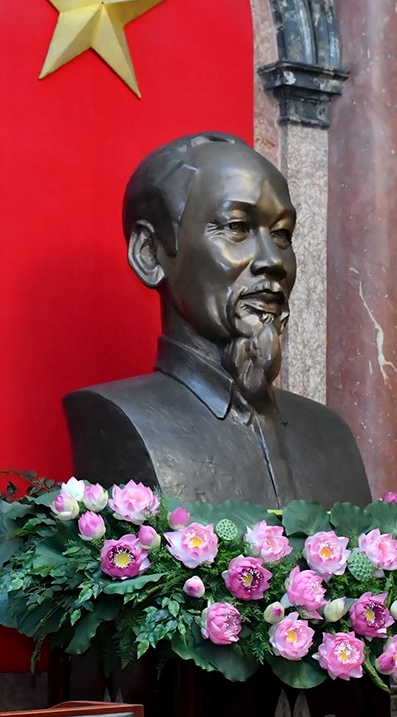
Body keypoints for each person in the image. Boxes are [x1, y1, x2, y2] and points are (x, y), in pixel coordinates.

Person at [63, 131, 371, 507]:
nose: (272, 260)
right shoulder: (115, 418)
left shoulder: (330, 435)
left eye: (282, 234)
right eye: (237, 228)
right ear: (150, 254)